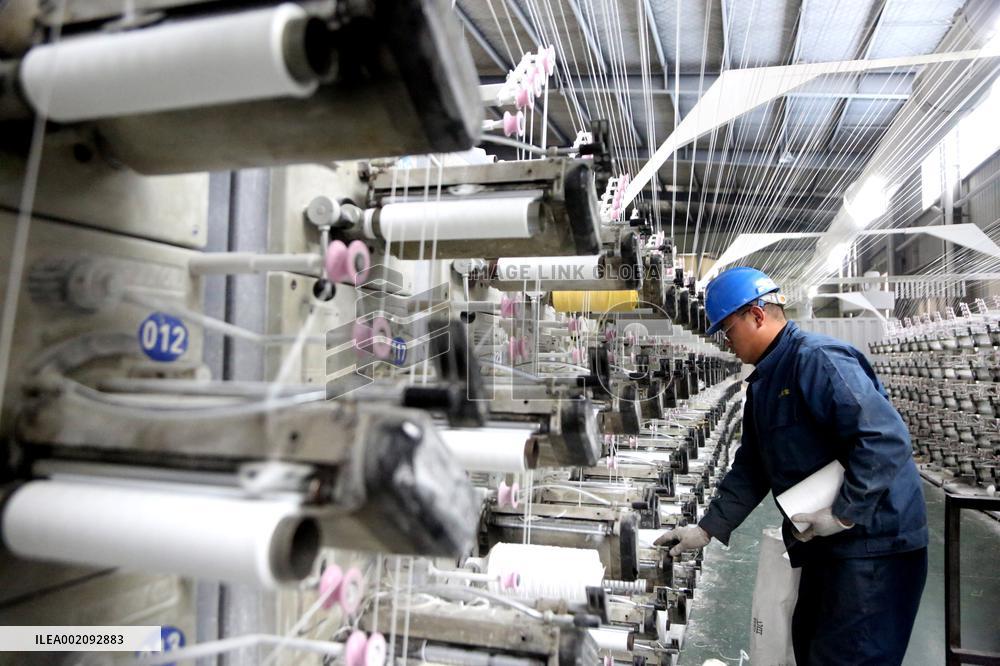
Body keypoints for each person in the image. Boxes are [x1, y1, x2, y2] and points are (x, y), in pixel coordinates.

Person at [657, 266, 928, 666]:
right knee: (811, 649)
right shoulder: (766, 382)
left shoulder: (817, 360)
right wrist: (707, 528)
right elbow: (752, 467)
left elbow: (884, 439)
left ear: (757, 315)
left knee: (849, 657)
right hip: (828, 547)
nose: (726, 343)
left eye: (727, 330)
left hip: (874, 546)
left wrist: (844, 514)